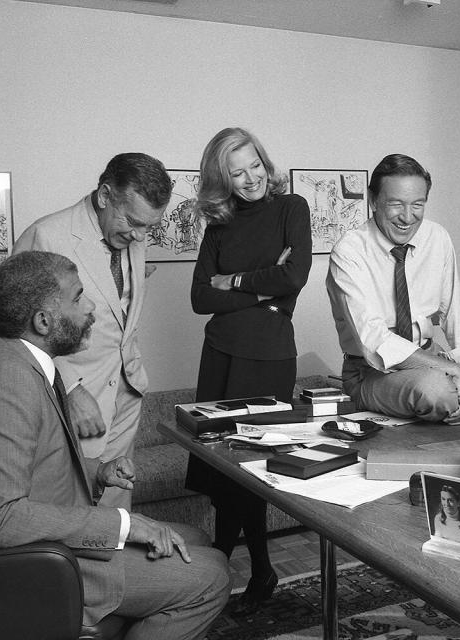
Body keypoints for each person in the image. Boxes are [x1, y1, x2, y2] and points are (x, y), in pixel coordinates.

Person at [0, 251, 229, 640]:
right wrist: (126, 524)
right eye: (79, 297)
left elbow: (31, 466)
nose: (92, 307)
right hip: (17, 567)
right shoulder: (0, 384)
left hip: (43, 546)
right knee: (213, 575)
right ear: (43, 321)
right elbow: (0, 522)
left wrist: (99, 471)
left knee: (195, 540)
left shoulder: (24, 364)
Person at [185, 127, 312, 614]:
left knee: (251, 468)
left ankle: (256, 568)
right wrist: (265, 293)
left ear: (265, 160)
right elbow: (200, 297)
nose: (250, 178)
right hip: (219, 353)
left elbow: (294, 277)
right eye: (236, 172)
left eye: (254, 165)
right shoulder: (218, 225)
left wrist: (234, 282)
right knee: (221, 468)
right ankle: (236, 568)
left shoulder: (291, 208)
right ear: (222, 178)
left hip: (269, 354)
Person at [12, 153, 172, 508]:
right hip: (74, 404)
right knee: (72, 516)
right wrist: (69, 389)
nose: (140, 235)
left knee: (115, 516)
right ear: (104, 195)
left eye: (149, 227)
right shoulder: (47, 235)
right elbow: (16, 332)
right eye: (133, 221)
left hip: (125, 398)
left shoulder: (133, 235)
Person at [326, 153, 460, 424]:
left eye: (417, 205)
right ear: (373, 200)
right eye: (396, 204)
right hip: (370, 373)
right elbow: (373, 338)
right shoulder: (349, 250)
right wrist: (453, 371)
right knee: (439, 392)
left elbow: (456, 315)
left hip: (429, 359)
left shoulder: (437, 238)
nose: (407, 217)